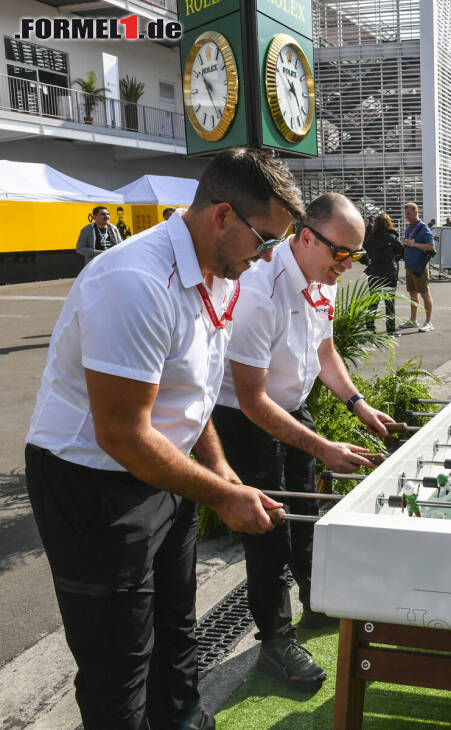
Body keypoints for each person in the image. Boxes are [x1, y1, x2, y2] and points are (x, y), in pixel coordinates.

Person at [25, 147, 303, 729]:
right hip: (92, 485)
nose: (269, 257)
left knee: (177, 620)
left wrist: (221, 472)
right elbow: (123, 435)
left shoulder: (222, 270)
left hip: (167, 468)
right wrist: (223, 496)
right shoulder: (135, 281)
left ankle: (184, 720)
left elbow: (191, 395)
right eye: (266, 240)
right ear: (222, 216)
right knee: (118, 657)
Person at [212, 192, 396, 691]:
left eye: (355, 255)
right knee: (269, 527)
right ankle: (275, 640)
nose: (349, 265)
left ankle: (318, 599)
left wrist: (358, 403)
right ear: (306, 237)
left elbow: (325, 349)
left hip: (292, 405)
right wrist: (321, 446)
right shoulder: (259, 290)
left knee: (309, 509)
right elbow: (251, 400)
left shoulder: (321, 278)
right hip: (247, 418)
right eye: (343, 253)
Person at [362, 213, 403, 334]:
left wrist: (367, 261)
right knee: (390, 302)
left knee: (373, 301)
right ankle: (390, 329)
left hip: (374, 271)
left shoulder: (370, 238)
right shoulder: (392, 237)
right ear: (388, 223)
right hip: (389, 271)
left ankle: (370, 328)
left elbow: (361, 251)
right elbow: (401, 251)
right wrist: (395, 258)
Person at [402, 202, 435, 332]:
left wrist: (414, 244)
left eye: (409, 214)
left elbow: (431, 247)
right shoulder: (408, 228)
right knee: (412, 294)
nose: (407, 216)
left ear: (416, 212)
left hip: (420, 267)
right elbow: (409, 242)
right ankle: (413, 320)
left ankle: (428, 322)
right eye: (406, 214)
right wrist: (406, 243)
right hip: (410, 266)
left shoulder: (424, 228)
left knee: (425, 293)